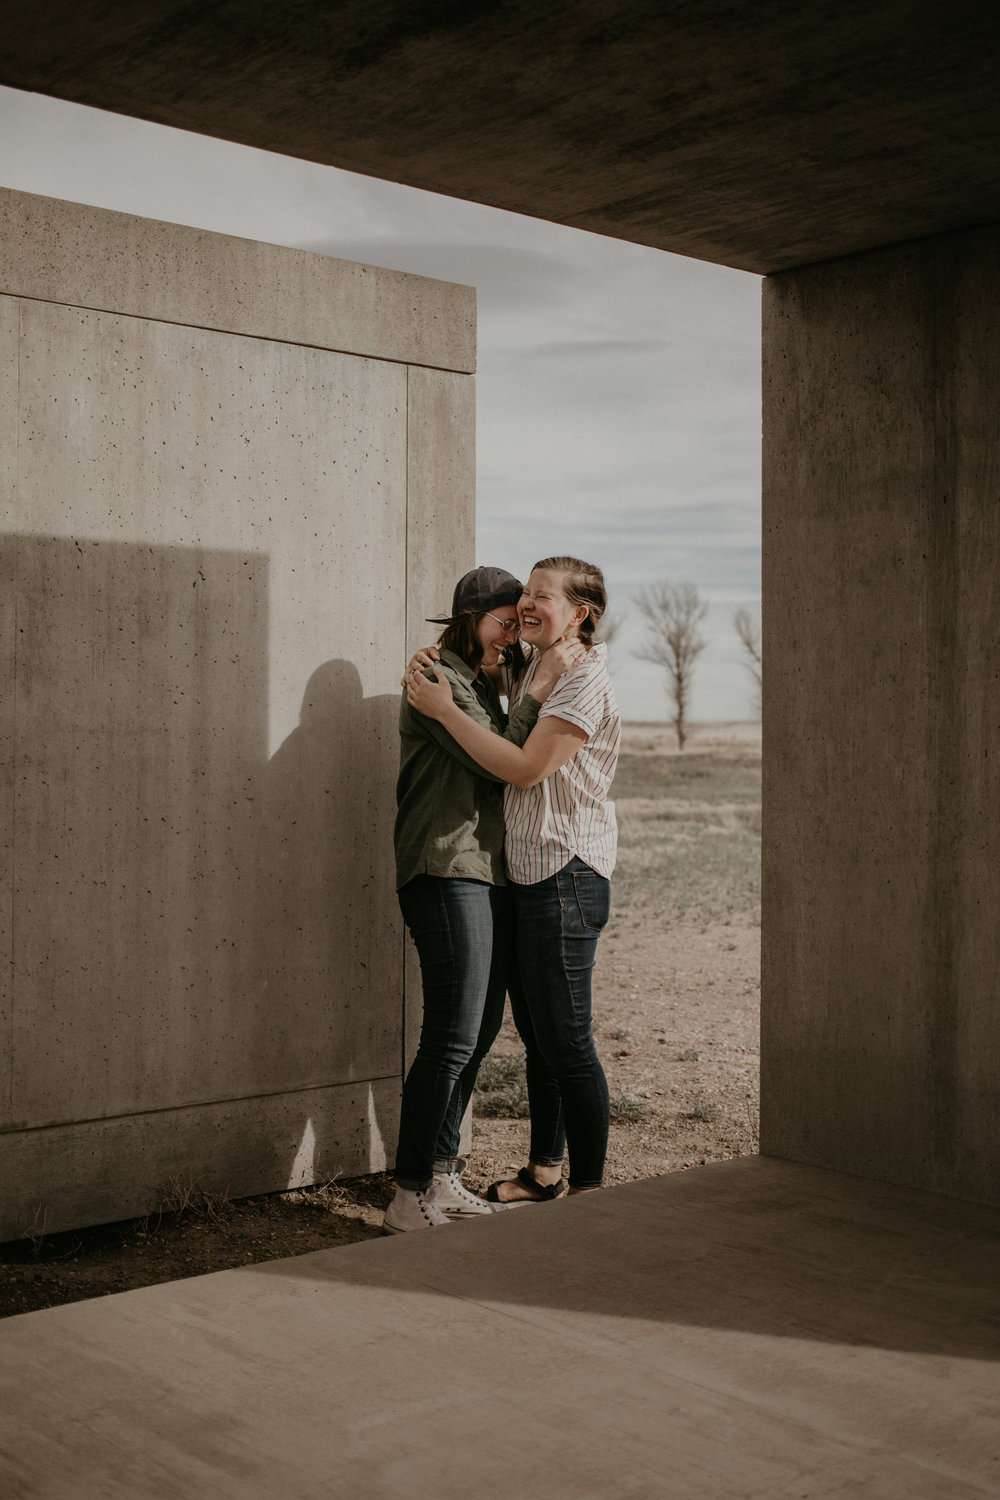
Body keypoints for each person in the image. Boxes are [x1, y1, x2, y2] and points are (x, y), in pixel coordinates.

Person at [404, 555, 619, 1203]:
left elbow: (524, 768)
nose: (526, 605)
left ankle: (589, 1192)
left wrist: (444, 707)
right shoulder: (530, 663)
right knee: (538, 1038)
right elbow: (478, 665)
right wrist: (441, 658)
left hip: (566, 870)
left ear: (579, 614)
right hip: (526, 873)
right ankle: (545, 1172)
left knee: (567, 1042)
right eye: (523, 593)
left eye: (541, 596)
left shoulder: (582, 679)